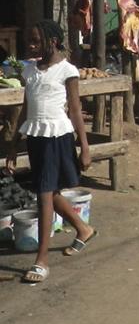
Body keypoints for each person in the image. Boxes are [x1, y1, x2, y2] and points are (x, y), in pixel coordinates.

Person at [6, 21, 95, 283]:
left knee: (44, 194)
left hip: (58, 137)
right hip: (36, 138)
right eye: (29, 41)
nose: (30, 46)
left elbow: (76, 111)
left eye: (35, 41)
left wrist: (85, 147)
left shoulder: (67, 71)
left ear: (52, 42)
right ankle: (83, 228)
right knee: (49, 191)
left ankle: (41, 260)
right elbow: (25, 108)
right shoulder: (30, 71)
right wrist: (13, 145)